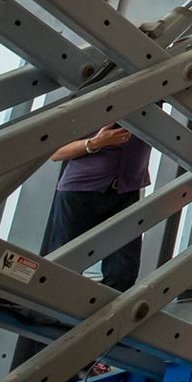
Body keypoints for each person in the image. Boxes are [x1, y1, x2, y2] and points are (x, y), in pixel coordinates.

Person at [41, 122, 153, 292]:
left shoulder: (151, 107)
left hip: (126, 192)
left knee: (123, 272)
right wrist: (95, 143)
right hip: (80, 191)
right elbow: (55, 153)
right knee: (64, 266)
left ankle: (103, 309)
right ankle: (54, 306)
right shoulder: (90, 109)